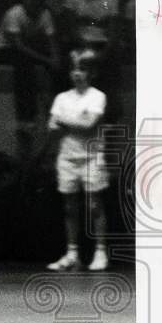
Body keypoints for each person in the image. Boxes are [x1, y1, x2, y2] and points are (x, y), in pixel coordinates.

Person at [46, 49, 109, 272]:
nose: (77, 73)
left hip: (92, 157)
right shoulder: (61, 98)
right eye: (74, 69)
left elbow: (88, 125)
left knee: (94, 205)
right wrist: (74, 121)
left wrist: (64, 121)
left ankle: (101, 253)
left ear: (92, 72)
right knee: (70, 207)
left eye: (82, 69)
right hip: (67, 158)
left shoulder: (98, 96)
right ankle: (72, 254)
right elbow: (52, 128)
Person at [0, 0, 60, 158]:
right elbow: (19, 46)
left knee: (56, 65)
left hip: (28, 53)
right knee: (24, 63)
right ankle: (26, 117)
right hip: (2, 51)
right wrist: (46, 59)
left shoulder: (45, 15)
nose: (32, 0)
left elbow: (52, 43)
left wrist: (56, 59)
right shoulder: (14, 13)